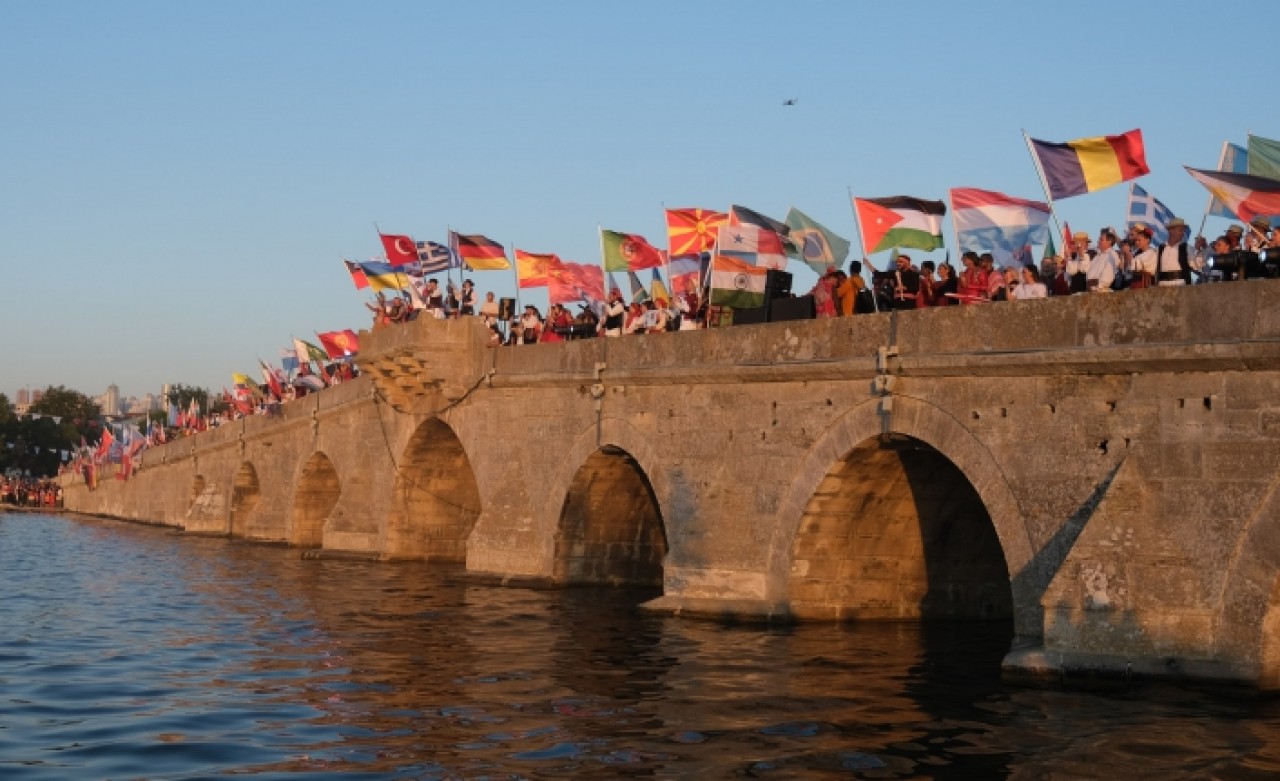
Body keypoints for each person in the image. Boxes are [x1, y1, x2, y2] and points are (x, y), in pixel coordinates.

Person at [1151, 217, 1204, 286]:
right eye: (1180, 230)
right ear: (1171, 230)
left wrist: (1198, 250)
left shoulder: (1187, 248)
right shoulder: (1159, 249)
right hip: (1162, 285)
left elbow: (1197, 265)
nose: (1182, 233)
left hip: (1180, 284)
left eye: (1183, 231)